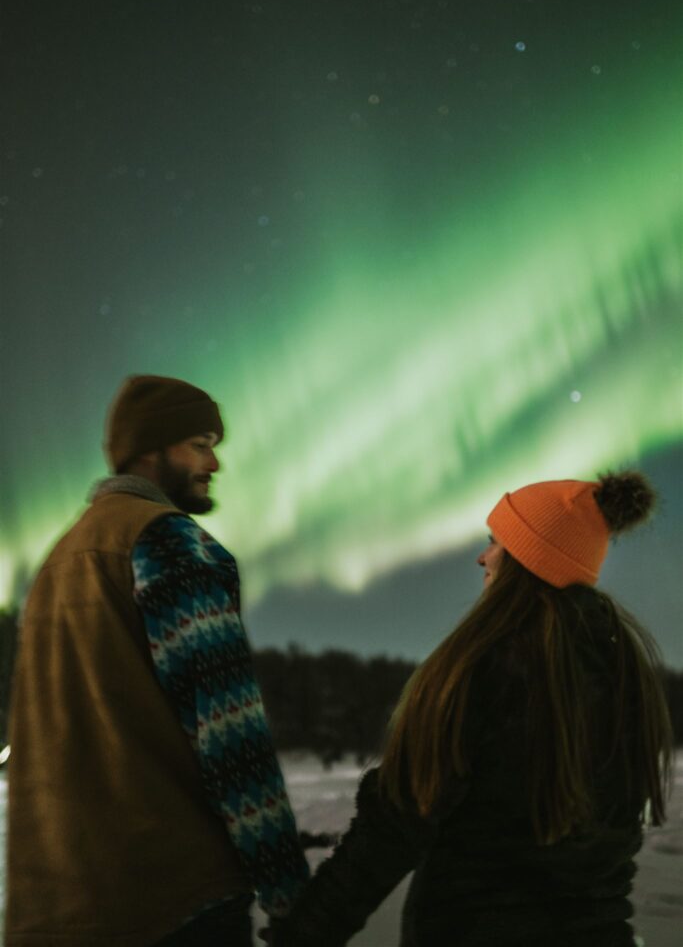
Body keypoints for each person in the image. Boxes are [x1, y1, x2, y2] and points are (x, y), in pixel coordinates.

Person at [266, 471, 672, 947]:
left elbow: (390, 829)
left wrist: (302, 935)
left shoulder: (487, 666)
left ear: (528, 558)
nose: (483, 556)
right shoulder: (625, 670)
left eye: (497, 541)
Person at [6, 375, 309, 947]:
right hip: (172, 903)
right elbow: (227, 726)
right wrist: (290, 894)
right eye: (199, 443)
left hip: (55, 909)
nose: (215, 462)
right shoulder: (167, 541)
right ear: (149, 449)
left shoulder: (58, 562)